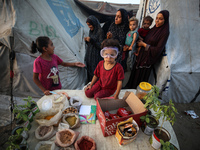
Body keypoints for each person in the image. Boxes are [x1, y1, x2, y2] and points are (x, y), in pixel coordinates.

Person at [125, 10, 170, 89]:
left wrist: (143, 44)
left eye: (160, 19)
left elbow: (158, 50)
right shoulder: (153, 29)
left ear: (165, 20)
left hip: (147, 60)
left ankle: (137, 95)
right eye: (156, 18)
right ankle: (130, 90)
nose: (157, 20)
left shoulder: (164, 32)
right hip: (140, 57)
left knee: (140, 79)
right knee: (134, 76)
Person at [84, 15, 104, 82]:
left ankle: (96, 85)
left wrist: (91, 40)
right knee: (89, 71)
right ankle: (90, 84)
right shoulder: (91, 31)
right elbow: (91, 44)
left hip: (96, 57)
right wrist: (87, 41)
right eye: (88, 25)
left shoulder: (100, 31)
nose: (89, 27)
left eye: (90, 25)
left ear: (94, 23)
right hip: (90, 56)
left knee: (95, 72)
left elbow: (101, 46)